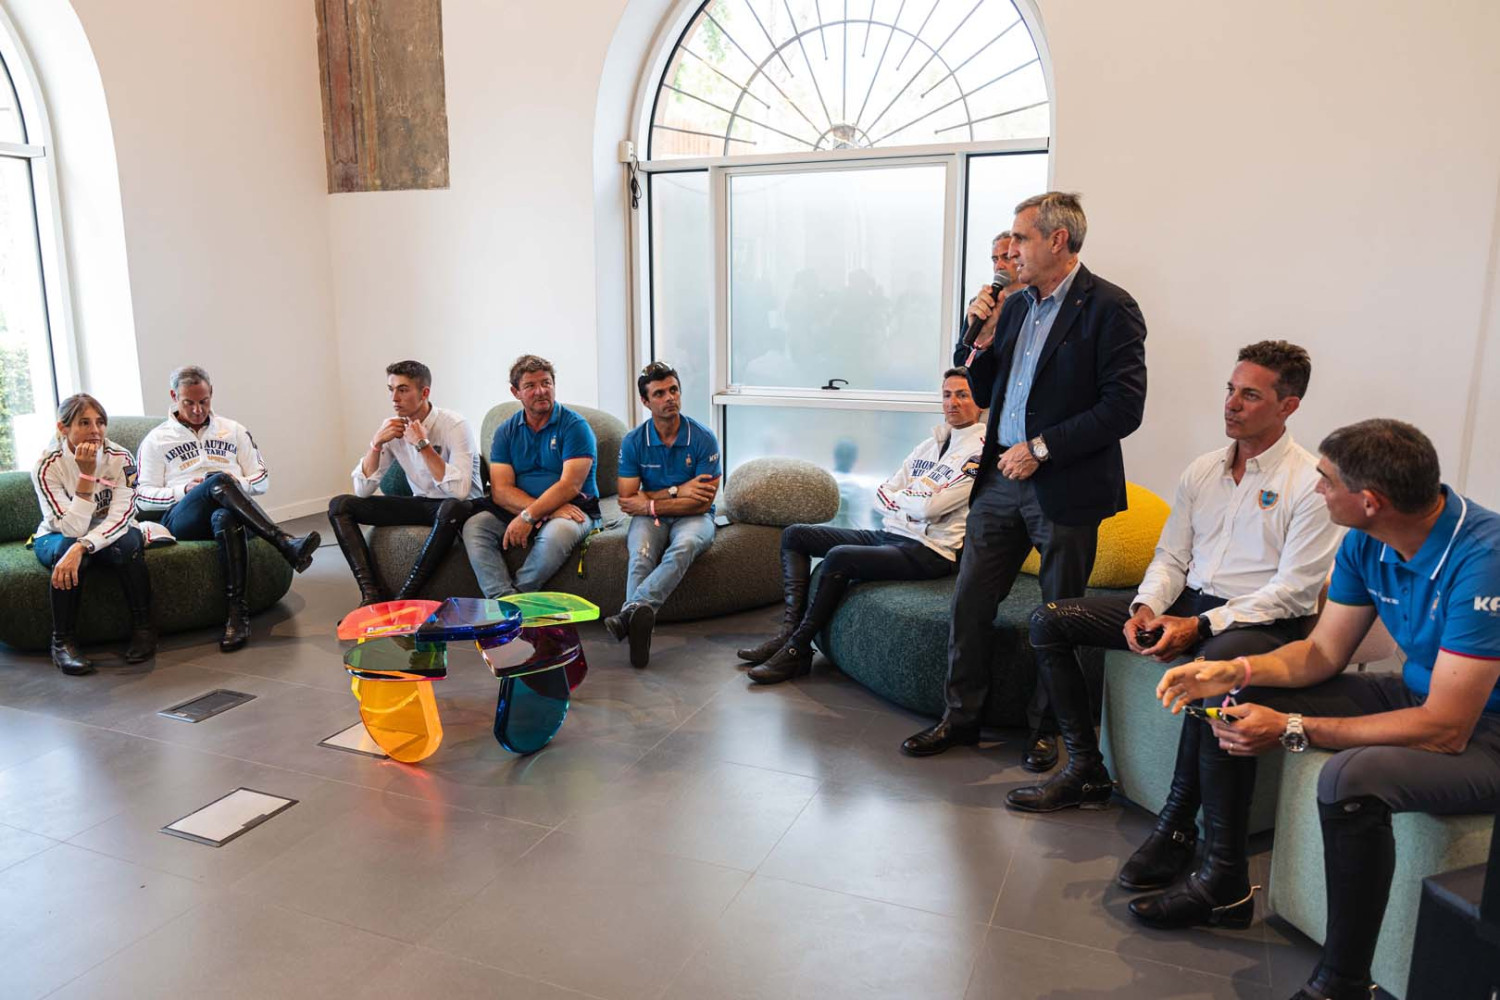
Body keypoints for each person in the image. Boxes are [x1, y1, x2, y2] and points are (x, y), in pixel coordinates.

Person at [1144, 420, 1500, 1000]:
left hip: (1486, 729)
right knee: (1233, 697)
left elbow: (1446, 727)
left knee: (1351, 778)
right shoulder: (1366, 539)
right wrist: (1233, 671)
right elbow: (1322, 653)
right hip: (1421, 694)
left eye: (1326, 481)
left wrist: (1293, 728)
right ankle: (1223, 882)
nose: (1316, 489)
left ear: (1370, 501)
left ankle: (1342, 984)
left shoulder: (1485, 559)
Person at [1005, 343, 1343, 893]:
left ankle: (1177, 825)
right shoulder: (1203, 470)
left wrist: (1201, 627)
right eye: (1230, 390)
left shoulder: (1309, 483)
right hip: (1189, 604)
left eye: (1250, 395)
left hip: (1258, 623)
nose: (1232, 404)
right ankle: (1085, 769)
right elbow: (1171, 558)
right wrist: (1146, 607)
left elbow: (1293, 592)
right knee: (1051, 619)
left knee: (1212, 666)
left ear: (1288, 406)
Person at [903, 191, 1148, 769]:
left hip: (1064, 485)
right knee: (970, 600)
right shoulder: (1013, 308)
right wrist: (976, 334)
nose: (1010, 250)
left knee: (1059, 613)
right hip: (1000, 481)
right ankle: (960, 717)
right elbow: (982, 388)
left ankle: (1047, 730)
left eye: (1020, 238)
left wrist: (1041, 449)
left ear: (1057, 240)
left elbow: (1124, 408)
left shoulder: (1110, 306)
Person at [737, 367, 986, 684]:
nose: (952, 402)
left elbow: (930, 507)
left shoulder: (980, 452)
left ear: (980, 400)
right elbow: (883, 492)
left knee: (839, 556)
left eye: (963, 395)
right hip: (891, 534)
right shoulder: (930, 444)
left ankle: (797, 650)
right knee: (795, 536)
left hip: (930, 551)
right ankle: (787, 634)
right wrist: (911, 501)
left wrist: (906, 500)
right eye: (947, 395)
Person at [135, 366, 320, 650]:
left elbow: (261, 478)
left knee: (224, 515)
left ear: (211, 393)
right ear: (173, 397)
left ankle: (237, 616)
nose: (198, 410)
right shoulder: (156, 440)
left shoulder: (233, 430)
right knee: (218, 481)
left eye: (204, 401)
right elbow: (142, 496)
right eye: (189, 402)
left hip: (230, 510)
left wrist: (234, 483)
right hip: (183, 517)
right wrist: (185, 490)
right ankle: (284, 542)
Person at [31, 394, 168, 674]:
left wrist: (83, 546)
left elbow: (122, 516)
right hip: (56, 535)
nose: (95, 430)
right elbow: (71, 529)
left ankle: (144, 629)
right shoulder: (47, 466)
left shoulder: (121, 457)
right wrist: (86, 476)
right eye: (84, 423)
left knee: (128, 546)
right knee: (65, 552)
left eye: (100, 422)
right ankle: (62, 642)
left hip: (109, 530)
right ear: (63, 428)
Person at [327, 360, 482, 606]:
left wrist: (422, 445)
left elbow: (460, 492)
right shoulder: (392, 427)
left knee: (452, 507)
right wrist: (376, 444)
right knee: (340, 505)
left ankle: (406, 597)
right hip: (423, 504)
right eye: (391, 390)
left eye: (402, 390)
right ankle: (371, 594)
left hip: (462, 508)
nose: (394, 398)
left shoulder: (455, 425)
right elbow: (363, 489)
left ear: (424, 393)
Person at [603, 361, 720, 668]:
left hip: (695, 518)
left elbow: (701, 503)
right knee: (640, 555)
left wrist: (650, 502)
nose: (670, 398)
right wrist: (677, 491)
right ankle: (638, 633)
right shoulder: (634, 441)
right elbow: (627, 499)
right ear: (645, 401)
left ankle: (629, 614)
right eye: (659, 393)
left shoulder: (703, 438)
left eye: (674, 390)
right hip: (651, 517)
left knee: (685, 546)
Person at [461, 355, 602, 598]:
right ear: (515, 392)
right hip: (527, 508)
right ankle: (501, 598)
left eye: (546, 383)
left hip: (572, 507)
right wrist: (541, 511)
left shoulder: (575, 427)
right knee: (475, 526)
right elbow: (501, 491)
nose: (541, 391)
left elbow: (570, 486)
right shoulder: (506, 431)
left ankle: (515, 599)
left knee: (558, 534)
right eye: (530, 386)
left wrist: (530, 515)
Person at [958, 230, 1023, 367]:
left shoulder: (1035, 304)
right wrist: (980, 342)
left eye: (1006, 257)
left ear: (1021, 258)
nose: (999, 266)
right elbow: (960, 359)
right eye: (995, 260)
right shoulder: (983, 304)